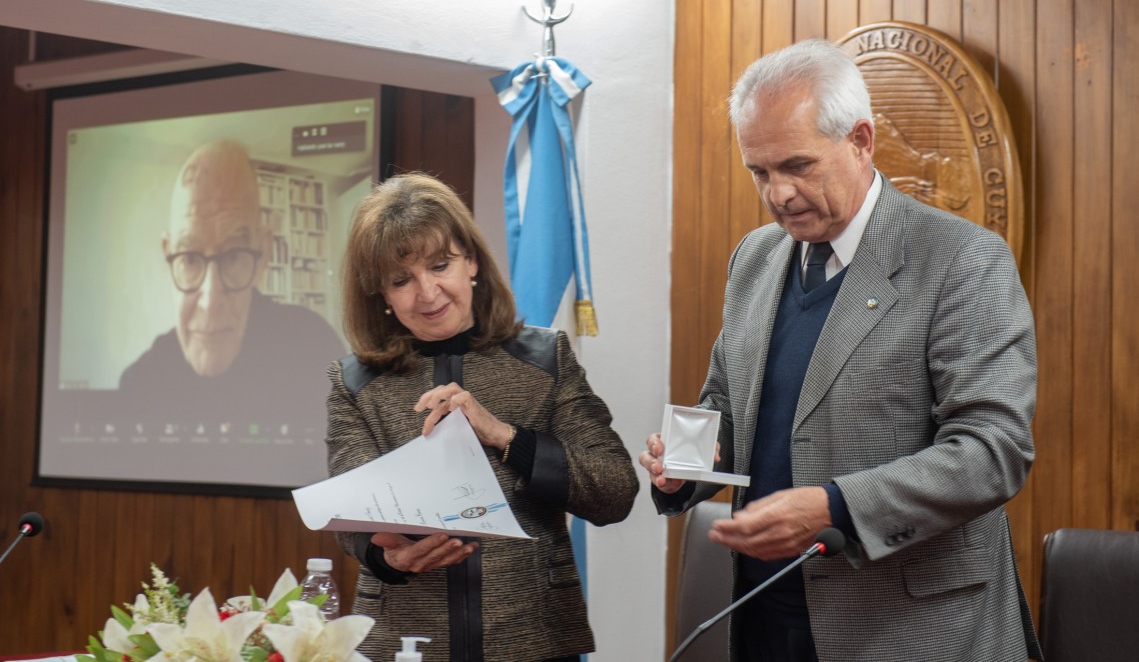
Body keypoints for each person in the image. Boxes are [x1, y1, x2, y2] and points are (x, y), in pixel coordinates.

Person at [640, 40, 1041, 661]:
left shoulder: (962, 258)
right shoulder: (755, 258)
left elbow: (992, 451)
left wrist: (835, 506)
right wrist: (687, 465)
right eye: (760, 171)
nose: (778, 194)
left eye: (798, 165)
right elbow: (729, 403)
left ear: (860, 140)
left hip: (907, 628)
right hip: (765, 614)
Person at [327, 172, 638, 661]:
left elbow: (615, 492)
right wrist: (386, 556)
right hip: (404, 641)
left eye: (440, 265)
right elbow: (352, 516)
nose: (427, 293)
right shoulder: (354, 382)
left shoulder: (544, 360)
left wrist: (504, 436)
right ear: (380, 295)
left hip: (532, 638)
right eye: (401, 280)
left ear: (471, 261)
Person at [119, 140, 345, 474]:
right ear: (169, 256)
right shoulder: (140, 381)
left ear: (263, 253)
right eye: (190, 258)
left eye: (235, 256)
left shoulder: (313, 347)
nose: (211, 302)